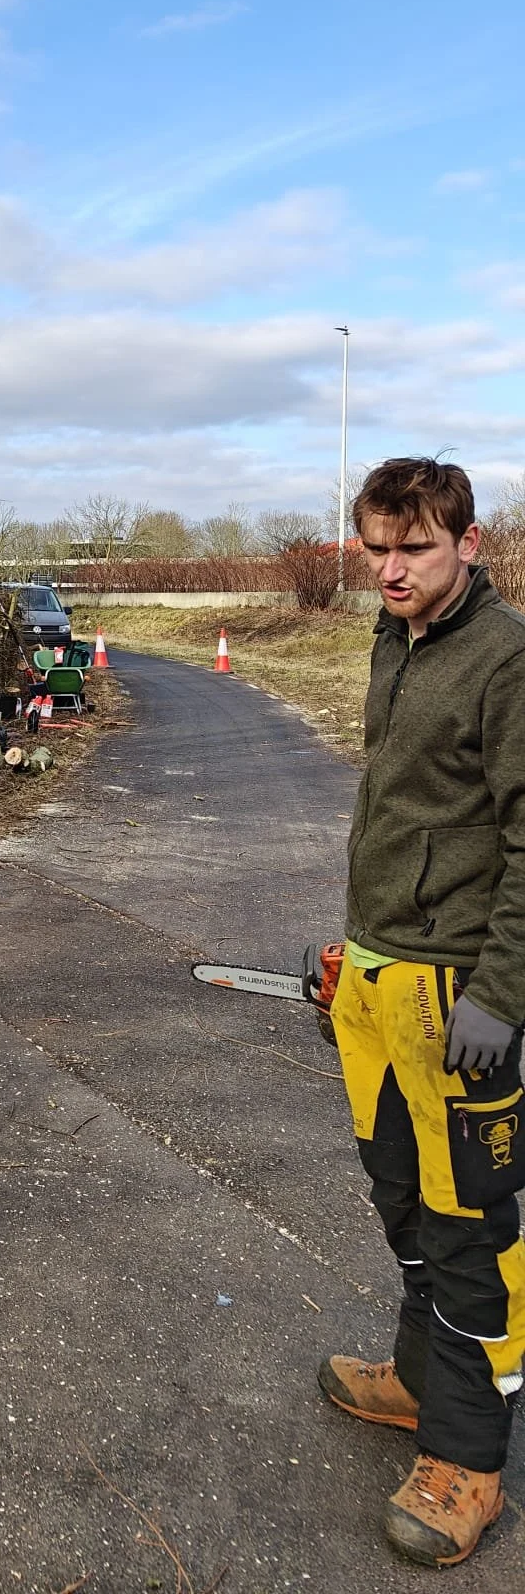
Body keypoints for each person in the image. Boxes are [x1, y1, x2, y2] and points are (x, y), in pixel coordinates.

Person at [321, 456, 525, 1567]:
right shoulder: (395, 641)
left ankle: (469, 1457)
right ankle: (413, 1376)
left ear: (468, 545)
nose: (391, 569)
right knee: (397, 1190)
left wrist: (501, 989)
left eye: (416, 548)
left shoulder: (507, 659)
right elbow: (403, 814)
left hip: (460, 995)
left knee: (471, 1237)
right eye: (377, 547)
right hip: (380, 979)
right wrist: (352, 954)